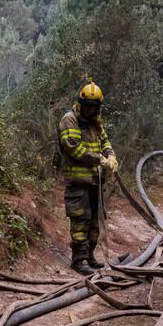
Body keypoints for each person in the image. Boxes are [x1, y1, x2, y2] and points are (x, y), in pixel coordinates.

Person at [58, 78, 119, 275]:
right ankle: (79, 259)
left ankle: (90, 256)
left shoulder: (95, 122)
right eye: (87, 105)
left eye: (93, 107)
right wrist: (99, 159)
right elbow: (73, 148)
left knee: (95, 221)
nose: (89, 110)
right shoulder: (70, 119)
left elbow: (104, 141)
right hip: (78, 182)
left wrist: (111, 155)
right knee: (80, 220)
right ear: (81, 103)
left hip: (95, 181)